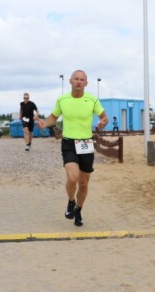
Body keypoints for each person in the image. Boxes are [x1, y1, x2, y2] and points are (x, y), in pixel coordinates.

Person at [37, 70, 108, 227]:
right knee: (72, 178)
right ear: (70, 81)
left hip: (86, 144)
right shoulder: (62, 100)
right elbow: (53, 117)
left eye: (82, 79)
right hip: (69, 143)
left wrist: (103, 122)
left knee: (83, 183)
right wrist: (44, 123)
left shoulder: (92, 100)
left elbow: (104, 117)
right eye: (76, 79)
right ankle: (71, 201)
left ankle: (78, 210)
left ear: (86, 83)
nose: (78, 81)